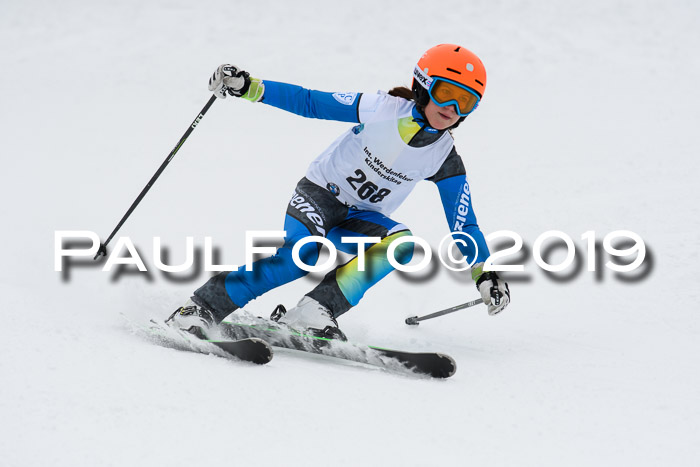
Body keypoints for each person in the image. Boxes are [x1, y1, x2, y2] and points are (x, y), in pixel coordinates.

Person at [167, 44, 511, 339]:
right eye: (445, 93)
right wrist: (248, 86)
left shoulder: (445, 158)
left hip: (359, 218)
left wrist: (485, 272)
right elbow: (310, 102)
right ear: (422, 86)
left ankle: (314, 312)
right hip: (319, 194)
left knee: (402, 245)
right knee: (298, 258)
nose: (452, 108)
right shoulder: (382, 109)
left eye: (465, 102)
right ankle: (199, 307)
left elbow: (463, 223)